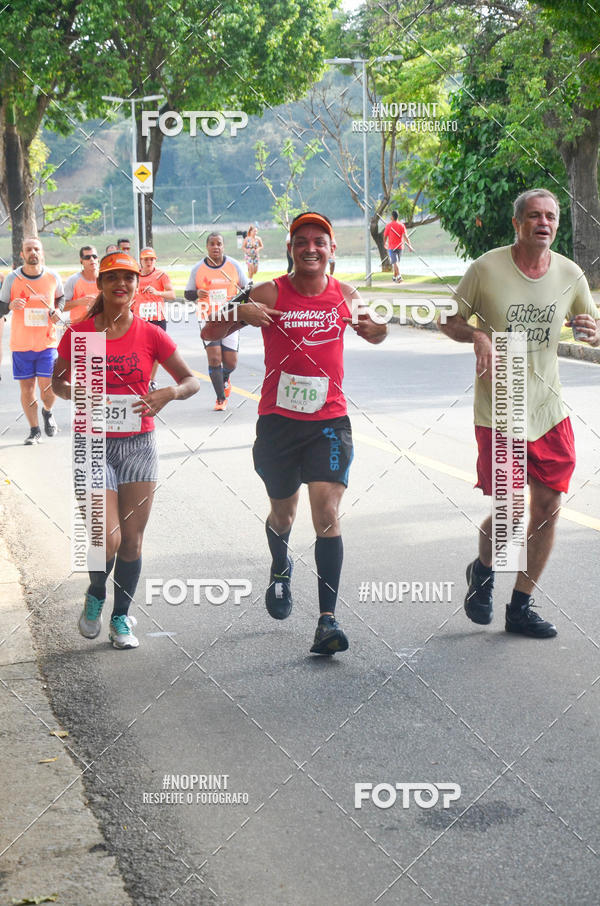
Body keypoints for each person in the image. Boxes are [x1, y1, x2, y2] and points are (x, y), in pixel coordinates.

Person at [202, 211, 387, 654]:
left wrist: (373, 326)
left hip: (329, 422)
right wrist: (238, 311)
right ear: (291, 248)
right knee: (283, 514)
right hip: (279, 425)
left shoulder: (346, 294)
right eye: (301, 241)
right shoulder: (269, 290)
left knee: (326, 512)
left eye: (319, 241)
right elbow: (210, 328)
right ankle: (281, 566)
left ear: (331, 250)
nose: (311, 248)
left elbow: (378, 334)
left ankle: (327, 620)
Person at [439, 188, 600, 639]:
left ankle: (521, 606)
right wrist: (477, 337)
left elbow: (592, 327)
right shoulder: (487, 268)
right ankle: (484, 572)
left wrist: (593, 331)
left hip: (548, 408)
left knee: (548, 505)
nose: (543, 223)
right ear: (518, 224)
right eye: (533, 216)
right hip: (501, 406)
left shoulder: (570, 273)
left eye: (550, 216)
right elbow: (448, 320)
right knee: (510, 509)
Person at [52, 251, 200, 650]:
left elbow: (191, 381)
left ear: (138, 286)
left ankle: (121, 618)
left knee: (133, 540)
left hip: (138, 444)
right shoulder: (80, 334)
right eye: (112, 277)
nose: (122, 284)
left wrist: (167, 392)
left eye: (129, 278)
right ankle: (97, 593)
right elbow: (58, 384)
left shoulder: (151, 334)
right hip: (92, 443)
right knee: (106, 539)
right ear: (100, 284)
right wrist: (74, 392)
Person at [0, 237, 64, 444]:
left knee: (48, 388)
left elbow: (61, 298)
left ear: (42, 252)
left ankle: (47, 411)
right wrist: (10, 306)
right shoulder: (12, 278)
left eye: (36, 248)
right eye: (28, 249)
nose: (33, 252)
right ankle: (34, 430)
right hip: (21, 345)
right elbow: (1, 307)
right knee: (27, 389)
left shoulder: (53, 276)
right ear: (22, 254)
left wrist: (58, 311)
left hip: (47, 343)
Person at [184, 232, 248, 411]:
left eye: (218, 243)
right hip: (207, 316)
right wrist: (196, 294)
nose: (215, 247)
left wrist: (239, 303)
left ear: (223, 246)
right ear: (207, 247)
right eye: (212, 244)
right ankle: (220, 398)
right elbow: (187, 293)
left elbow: (247, 288)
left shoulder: (234, 265)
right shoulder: (198, 268)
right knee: (214, 358)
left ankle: (225, 378)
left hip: (230, 318)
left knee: (231, 362)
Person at [130, 247, 176, 389]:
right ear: (141, 260)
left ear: (155, 260)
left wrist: (157, 292)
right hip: (140, 319)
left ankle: (151, 380)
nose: (149, 262)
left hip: (157, 318)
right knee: (139, 351)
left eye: (151, 259)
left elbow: (172, 295)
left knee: (156, 352)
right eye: (146, 259)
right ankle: (140, 377)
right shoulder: (135, 276)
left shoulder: (161, 275)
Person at [63, 245, 99, 326]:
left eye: (94, 256)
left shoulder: (105, 280)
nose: (92, 259)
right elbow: (62, 307)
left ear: (98, 259)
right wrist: (78, 302)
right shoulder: (73, 280)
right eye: (87, 257)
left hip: (100, 327)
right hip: (79, 328)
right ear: (81, 260)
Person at [383, 210, 414, 283]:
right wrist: (409, 245)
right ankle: (394, 278)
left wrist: (385, 243)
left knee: (395, 262)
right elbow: (406, 236)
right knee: (396, 263)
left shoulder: (388, 225)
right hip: (400, 247)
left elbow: (385, 236)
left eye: (391, 216)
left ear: (392, 217)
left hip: (392, 247)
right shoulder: (401, 225)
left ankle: (399, 276)